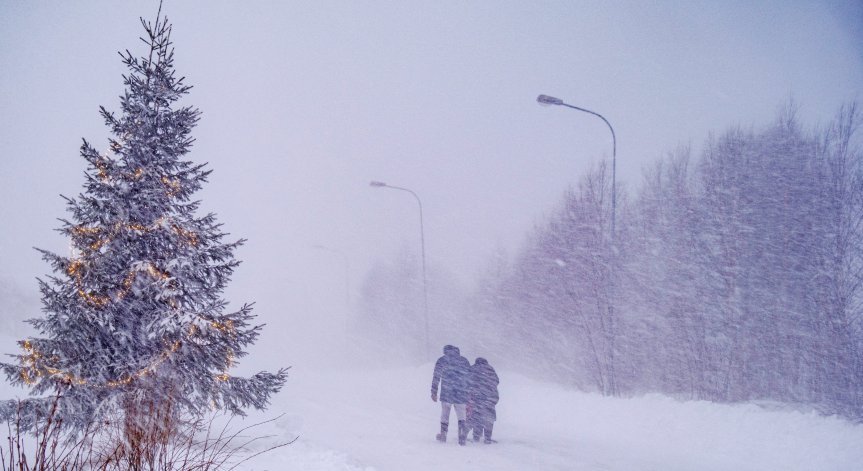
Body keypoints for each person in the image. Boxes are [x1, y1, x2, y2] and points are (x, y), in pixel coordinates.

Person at [430, 345, 471, 445]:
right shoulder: (464, 360)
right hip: (461, 393)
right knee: (462, 416)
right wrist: (469, 392)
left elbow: (436, 376)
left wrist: (434, 392)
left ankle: (443, 435)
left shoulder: (442, 360)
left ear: (445, 351)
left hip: (447, 392)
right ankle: (462, 437)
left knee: (445, 415)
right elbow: (470, 377)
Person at [467, 357, 499, 444]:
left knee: (477, 415)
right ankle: (488, 437)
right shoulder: (490, 369)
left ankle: (476, 436)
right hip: (491, 397)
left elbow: (467, 381)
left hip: (477, 397)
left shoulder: (473, 368)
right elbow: (497, 381)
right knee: (489, 417)